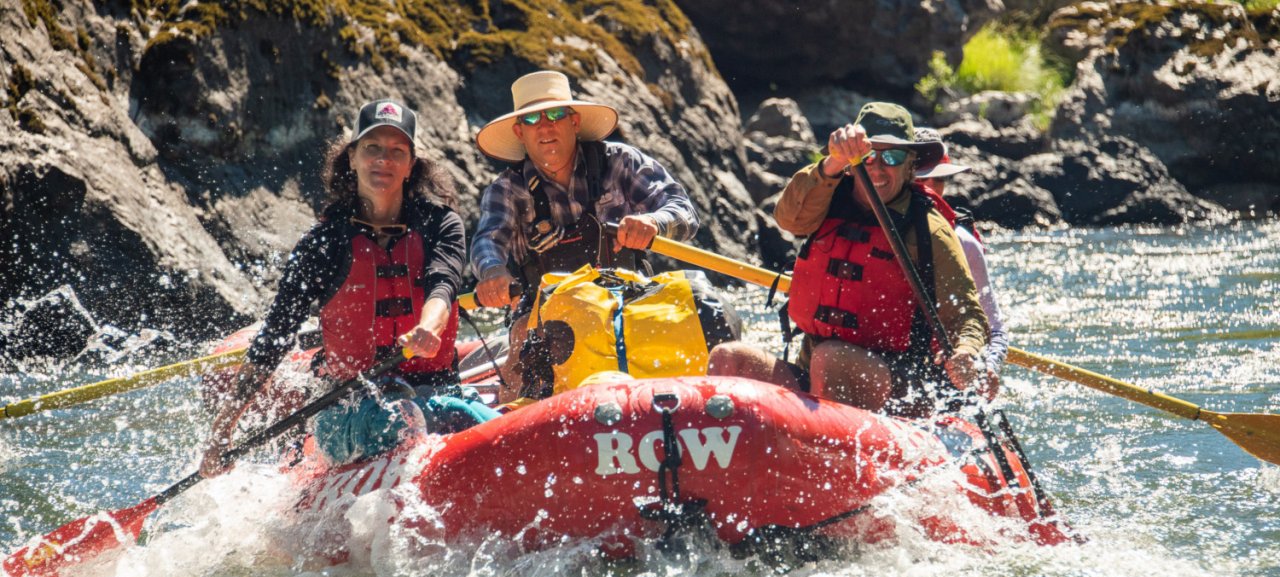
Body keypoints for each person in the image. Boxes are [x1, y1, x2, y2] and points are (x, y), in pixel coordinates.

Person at [200, 99, 471, 475]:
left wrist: (429, 326)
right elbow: (275, 335)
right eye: (372, 148)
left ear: (411, 166)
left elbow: (445, 282)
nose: (384, 159)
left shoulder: (442, 224)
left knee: (466, 415)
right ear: (353, 159)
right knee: (403, 418)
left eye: (397, 151)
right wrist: (221, 431)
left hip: (436, 393)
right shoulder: (323, 242)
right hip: (347, 409)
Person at [708, 102, 989, 416]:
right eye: (869, 155)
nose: (878, 167)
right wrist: (833, 161)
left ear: (910, 166)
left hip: (897, 383)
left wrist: (966, 351)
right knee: (728, 358)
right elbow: (788, 218)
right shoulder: (827, 197)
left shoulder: (929, 230)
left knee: (832, 360)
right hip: (815, 370)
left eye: (892, 157)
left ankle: (817, 449)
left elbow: (968, 315)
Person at [468, 71, 700, 399]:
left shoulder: (620, 162)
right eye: (533, 118)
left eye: (556, 115)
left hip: (629, 304)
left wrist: (654, 222)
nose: (545, 126)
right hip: (546, 318)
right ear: (520, 132)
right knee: (522, 333)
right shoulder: (506, 189)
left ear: (574, 122)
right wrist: (492, 272)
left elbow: (684, 213)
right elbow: (487, 241)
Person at [914, 127, 1007, 399]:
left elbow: (996, 330)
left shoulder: (963, 243)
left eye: (938, 181)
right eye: (921, 181)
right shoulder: (867, 228)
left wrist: (986, 367)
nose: (930, 190)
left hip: (938, 376)